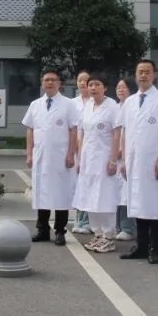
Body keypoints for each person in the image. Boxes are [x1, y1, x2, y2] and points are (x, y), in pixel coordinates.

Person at [117, 59, 158, 264]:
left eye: (147, 72)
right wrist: (123, 160)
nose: (143, 75)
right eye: (140, 71)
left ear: (154, 74)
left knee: (155, 207)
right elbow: (124, 131)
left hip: (153, 161)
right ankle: (141, 246)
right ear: (135, 74)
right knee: (138, 205)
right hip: (133, 162)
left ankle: (154, 248)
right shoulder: (130, 101)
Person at [22, 70, 79, 245]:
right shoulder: (35, 104)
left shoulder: (68, 104)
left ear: (59, 83)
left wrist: (71, 154)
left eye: (53, 80)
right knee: (41, 194)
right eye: (46, 80)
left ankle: (60, 231)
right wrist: (29, 153)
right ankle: (42, 230)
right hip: (41, 156)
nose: (50, 83)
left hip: (61, 156)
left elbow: (73, 130)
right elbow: (30, 129)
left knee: (61, 194)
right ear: (42, 83)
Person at [73, 73, 121, 253]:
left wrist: (113, 159)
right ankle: (98, 233)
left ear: (105, 87)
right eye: (90, 84)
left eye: (97, 84)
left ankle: (108, 236)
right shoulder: (87, 106)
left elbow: (117, 133)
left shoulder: (112, 107)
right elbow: (81, 133)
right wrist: (80, 158)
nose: (92, 87)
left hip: (104, 158)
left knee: (104, 197)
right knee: (89, 197)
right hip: (88, 159)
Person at [114, 77, 138, 242]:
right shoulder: (116, 107)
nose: (120, 90)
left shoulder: (133, 106)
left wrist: (123, 150)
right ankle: (118, 226)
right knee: (116, 193)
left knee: (126, 194)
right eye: (118, 87)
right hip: (116, 156)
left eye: (124, 87)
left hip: (128, 155)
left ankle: (127, 227)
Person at [71, 69, 94, 236]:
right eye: (79, 80)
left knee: (88, 186)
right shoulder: (72, 103)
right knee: (77, 187)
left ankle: (87, 221)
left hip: (91, 151)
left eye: (85, 80)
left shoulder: (96, 102)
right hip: (75, 150)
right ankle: (78, 219)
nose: (82, 83)